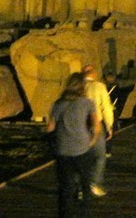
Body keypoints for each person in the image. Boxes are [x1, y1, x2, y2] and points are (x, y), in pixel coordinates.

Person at [47, 72, 100, 217]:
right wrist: (92, 140)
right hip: (82, 148)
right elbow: (96, 126)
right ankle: (84, 213)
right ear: (83, 87)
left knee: (65, 187)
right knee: (85, 183)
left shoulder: (58, 103)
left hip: (63, 149)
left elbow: (50, 127)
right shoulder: (87, 103)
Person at [82, 64, 114, 197]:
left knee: (81, 156)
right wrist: (109, 125)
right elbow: (106, 107)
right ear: (93, 73)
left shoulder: (77, 86)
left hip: (79, 125)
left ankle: (80, 187)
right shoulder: (99, 86)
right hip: (96, 125)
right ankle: (94, 184)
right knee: (99, 156)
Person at [103, 72, 120, 157]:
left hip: (106, 109)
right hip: (112, 109)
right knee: (110, 130)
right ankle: (107, 149)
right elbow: (118, 99)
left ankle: (106, 148)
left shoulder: (104, 88)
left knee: (106, 129)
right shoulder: (116, 88)